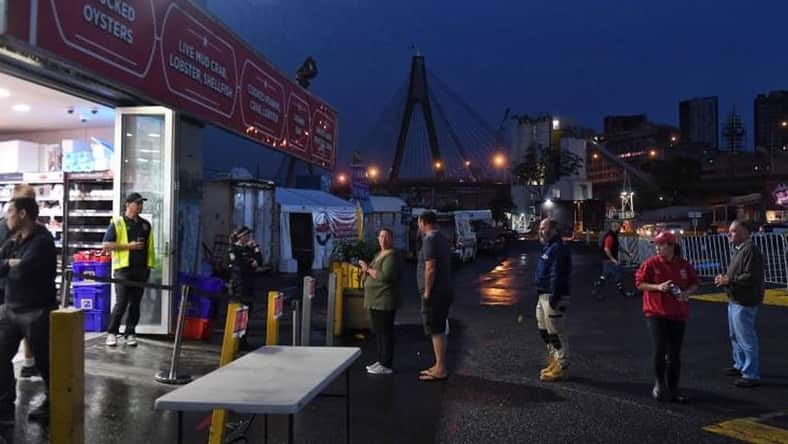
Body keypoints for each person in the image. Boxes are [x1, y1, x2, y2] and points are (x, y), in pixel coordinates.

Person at [0, 197, 58, 424]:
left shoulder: (42, 241)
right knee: (1, 357)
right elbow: (9, 266)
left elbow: (23, 271)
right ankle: (4, 404)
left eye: (10, 212)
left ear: (23, 214)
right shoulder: (15, 240)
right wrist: (8, 264)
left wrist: (12, 266)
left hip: (37, 311)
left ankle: (54, 402)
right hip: (10, 308)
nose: (6, 217)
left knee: (46, 362)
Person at [635, 231, 699, 403]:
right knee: (660, 350)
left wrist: (686, 293)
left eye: (661, 244)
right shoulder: (650, 263)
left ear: (671, 245)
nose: (657, 248)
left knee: (675, 354)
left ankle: (674, 388)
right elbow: (640, 284)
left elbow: (695, 283)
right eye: (656, 244)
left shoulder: (683, 265)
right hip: (656, 313)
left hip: (678, 313)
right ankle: (659, 384)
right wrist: (658, 287)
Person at [714, 220, 764, 388]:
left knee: (746, 338)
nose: (729, 234)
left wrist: (728, 279)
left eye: (733, 231)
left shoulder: (750, 250)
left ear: (744, 232)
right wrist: (725, 279)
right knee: (735, 336)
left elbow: (751, 277)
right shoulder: (741, 250)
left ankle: (750, 374)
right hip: (736, 299)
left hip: (744, 300)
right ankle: (740, 365)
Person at [102, 193, 155, 347]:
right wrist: (128, 246)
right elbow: (106, 244)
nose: (140, 206)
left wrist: (149, 266)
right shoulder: (118, 223)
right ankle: (112, 332)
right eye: (137, 203)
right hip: (123, 269)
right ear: (128, 204)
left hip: (141, 270)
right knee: (121, 303)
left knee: (135, 303)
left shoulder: (145, 225)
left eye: (141, 203)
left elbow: (149, 247)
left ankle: (130, 332)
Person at [0, 185, 39, 379]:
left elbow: (25, 266)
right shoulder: (6, 226)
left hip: (21, 298)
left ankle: (30, 363)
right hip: (7, 291)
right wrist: (8, 264)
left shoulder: (39, 235)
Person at [359, 228, 403, 375]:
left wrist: (367, 269)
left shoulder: (392, 256)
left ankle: (386, 363)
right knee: (379, 332)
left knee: (385, 332)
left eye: (386, 237)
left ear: (391, 239)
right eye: (381, 236)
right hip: (375, 300)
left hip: (384, 300)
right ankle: (381, 360)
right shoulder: (379, 254)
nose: (383, 239)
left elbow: (386, 276)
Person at [534, 219, 572, 382]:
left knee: (556, 332)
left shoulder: (559, 248)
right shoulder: (549, 247)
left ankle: (561, 366)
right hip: (543, 295)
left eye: (544, 228)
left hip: (553, 296)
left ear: (554, 230)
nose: (541, 231)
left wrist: (554, 298)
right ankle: (554, 360)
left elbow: (558, 275)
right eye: (540, 228)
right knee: (544, 330)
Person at [416, 211, 453, 382]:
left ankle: (440, 368)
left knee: (435, 329)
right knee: (439, 328)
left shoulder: (429, 239)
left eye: (419, 223)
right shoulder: (443, 238)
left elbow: (430, 267)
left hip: (435, 293)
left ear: (422, 222)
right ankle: (439, 364)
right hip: (445, 290)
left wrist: (427, 292)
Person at [226, 226, 263, 350]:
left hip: (249, 285)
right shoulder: (233, 249)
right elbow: (237, 265)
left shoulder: (249, 249)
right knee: (238, 312)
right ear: (240, 237)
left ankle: (243, 340)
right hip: (238, 286)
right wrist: (250, 263)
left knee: (247, 313)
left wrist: (256, 249)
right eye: (246, 236)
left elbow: (260, 261)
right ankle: (234, 341)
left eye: (248, 236)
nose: (248, 238)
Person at [592, 220, 634, 299]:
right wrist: (613, 260)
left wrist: (627, 253)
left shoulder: (614, 235)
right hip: (609, 261)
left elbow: (617, 247)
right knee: (618, 276)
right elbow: (606, 249)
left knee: (605, 276)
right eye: (619, 226)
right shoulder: (610, 236)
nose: (620, 228)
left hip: (607, 260)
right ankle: (624, 293)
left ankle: (596, 289)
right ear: (615, 226)